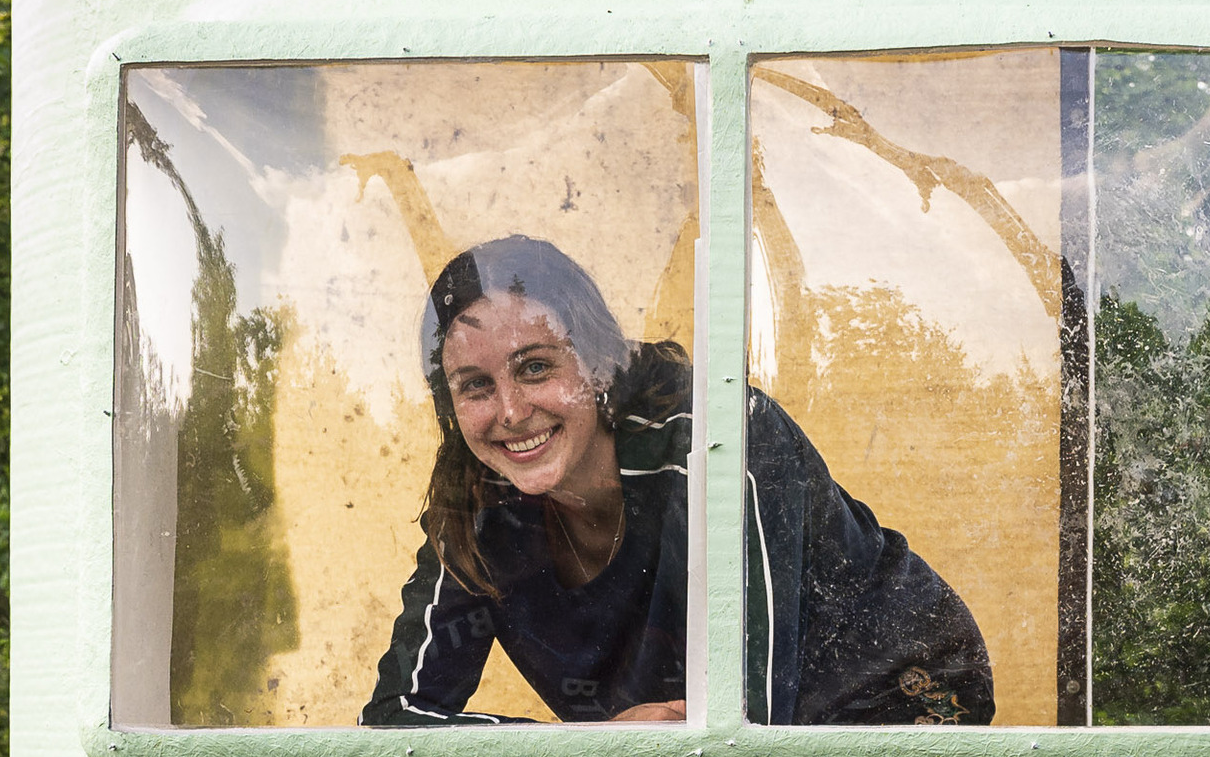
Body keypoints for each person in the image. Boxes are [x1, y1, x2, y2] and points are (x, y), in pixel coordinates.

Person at [365, 236, 991, 727]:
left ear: (598, 365)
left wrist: (621, 754)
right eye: (475, 385)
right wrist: (592, 745)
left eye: (534, 367)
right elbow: (398, 719)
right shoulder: (479, 512)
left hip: (903, 705)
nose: (509, 410)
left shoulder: (719, 444)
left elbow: (748, 725)